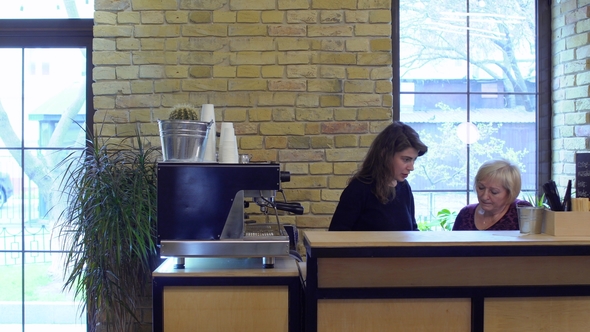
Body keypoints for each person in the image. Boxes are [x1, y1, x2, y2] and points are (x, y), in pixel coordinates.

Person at [329, 121, 428, 231]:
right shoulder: (359, 188)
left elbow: (412, 230)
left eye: (414, 160)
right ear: (385, 154)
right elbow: (336, 236)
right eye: (406, 159)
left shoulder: (404, 187)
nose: (411, 167)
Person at [452, 159, 531, 231]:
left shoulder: (522, 211)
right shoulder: (466, 213)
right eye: (481, 188)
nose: (484, 196)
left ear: (510, 193)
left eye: (494, 192)